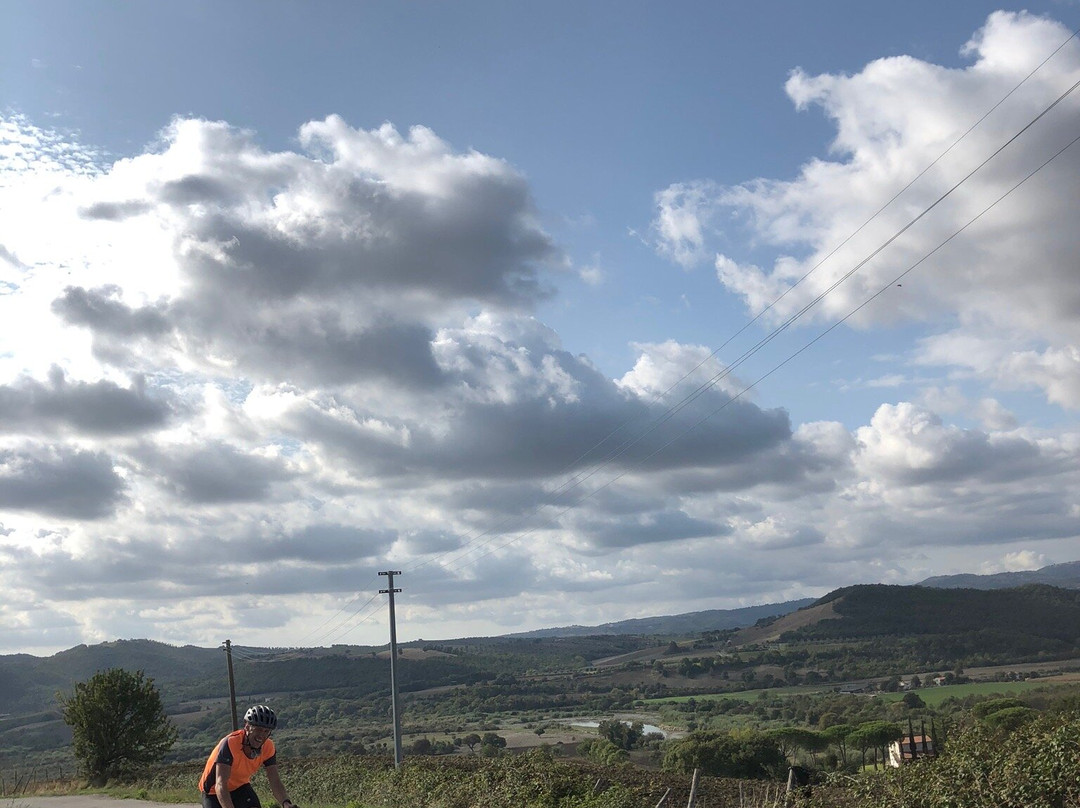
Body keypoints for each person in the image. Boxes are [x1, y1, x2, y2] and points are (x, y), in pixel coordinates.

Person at [199, 705, 296, 808]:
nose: (261, 735)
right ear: (247, 727)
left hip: (240, 787)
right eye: (258, 729)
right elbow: (221, 784)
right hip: (213, 791)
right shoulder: (230, 743)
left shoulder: (268, 747)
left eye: (266, 731)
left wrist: (286, 803)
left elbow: (274, 780)